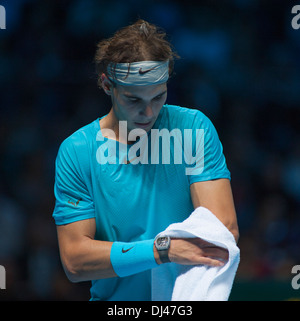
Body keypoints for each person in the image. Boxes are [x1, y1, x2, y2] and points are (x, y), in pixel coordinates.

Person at [52, 19, 239, 301]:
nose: (149, 112)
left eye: (158, 96)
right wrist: (162, 250)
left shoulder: (193, 128)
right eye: (133, 100)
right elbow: (75, 260)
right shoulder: (77, 151)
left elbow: (222, 235)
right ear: (106, 85)